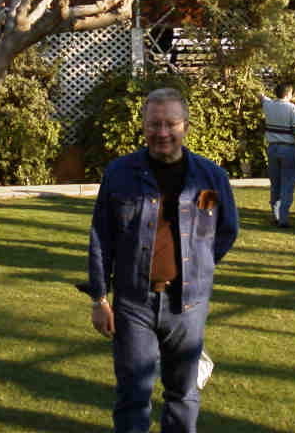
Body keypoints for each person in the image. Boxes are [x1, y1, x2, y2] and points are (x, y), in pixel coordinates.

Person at [87, 88, 238, 432]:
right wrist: (99, 298)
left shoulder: (211, 177)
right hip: (133, 303)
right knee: (133, 394)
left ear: (185, 126)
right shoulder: (119, 173)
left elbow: (227, 230)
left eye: (171, 123)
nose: (162, 133)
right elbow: (101, 237)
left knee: (183, 394)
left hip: (188, 305)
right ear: (143, 126)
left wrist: (198, 265)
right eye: (154, 124)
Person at [260, 83, 295, 227]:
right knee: (288, 183)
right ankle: (284, 218)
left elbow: (263, 98)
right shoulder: (291, 108)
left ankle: (275, 214)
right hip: (288, 147)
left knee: (275, 183)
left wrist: (260, 94)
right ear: (288, 94)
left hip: (272, 147)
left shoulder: (269, 105)